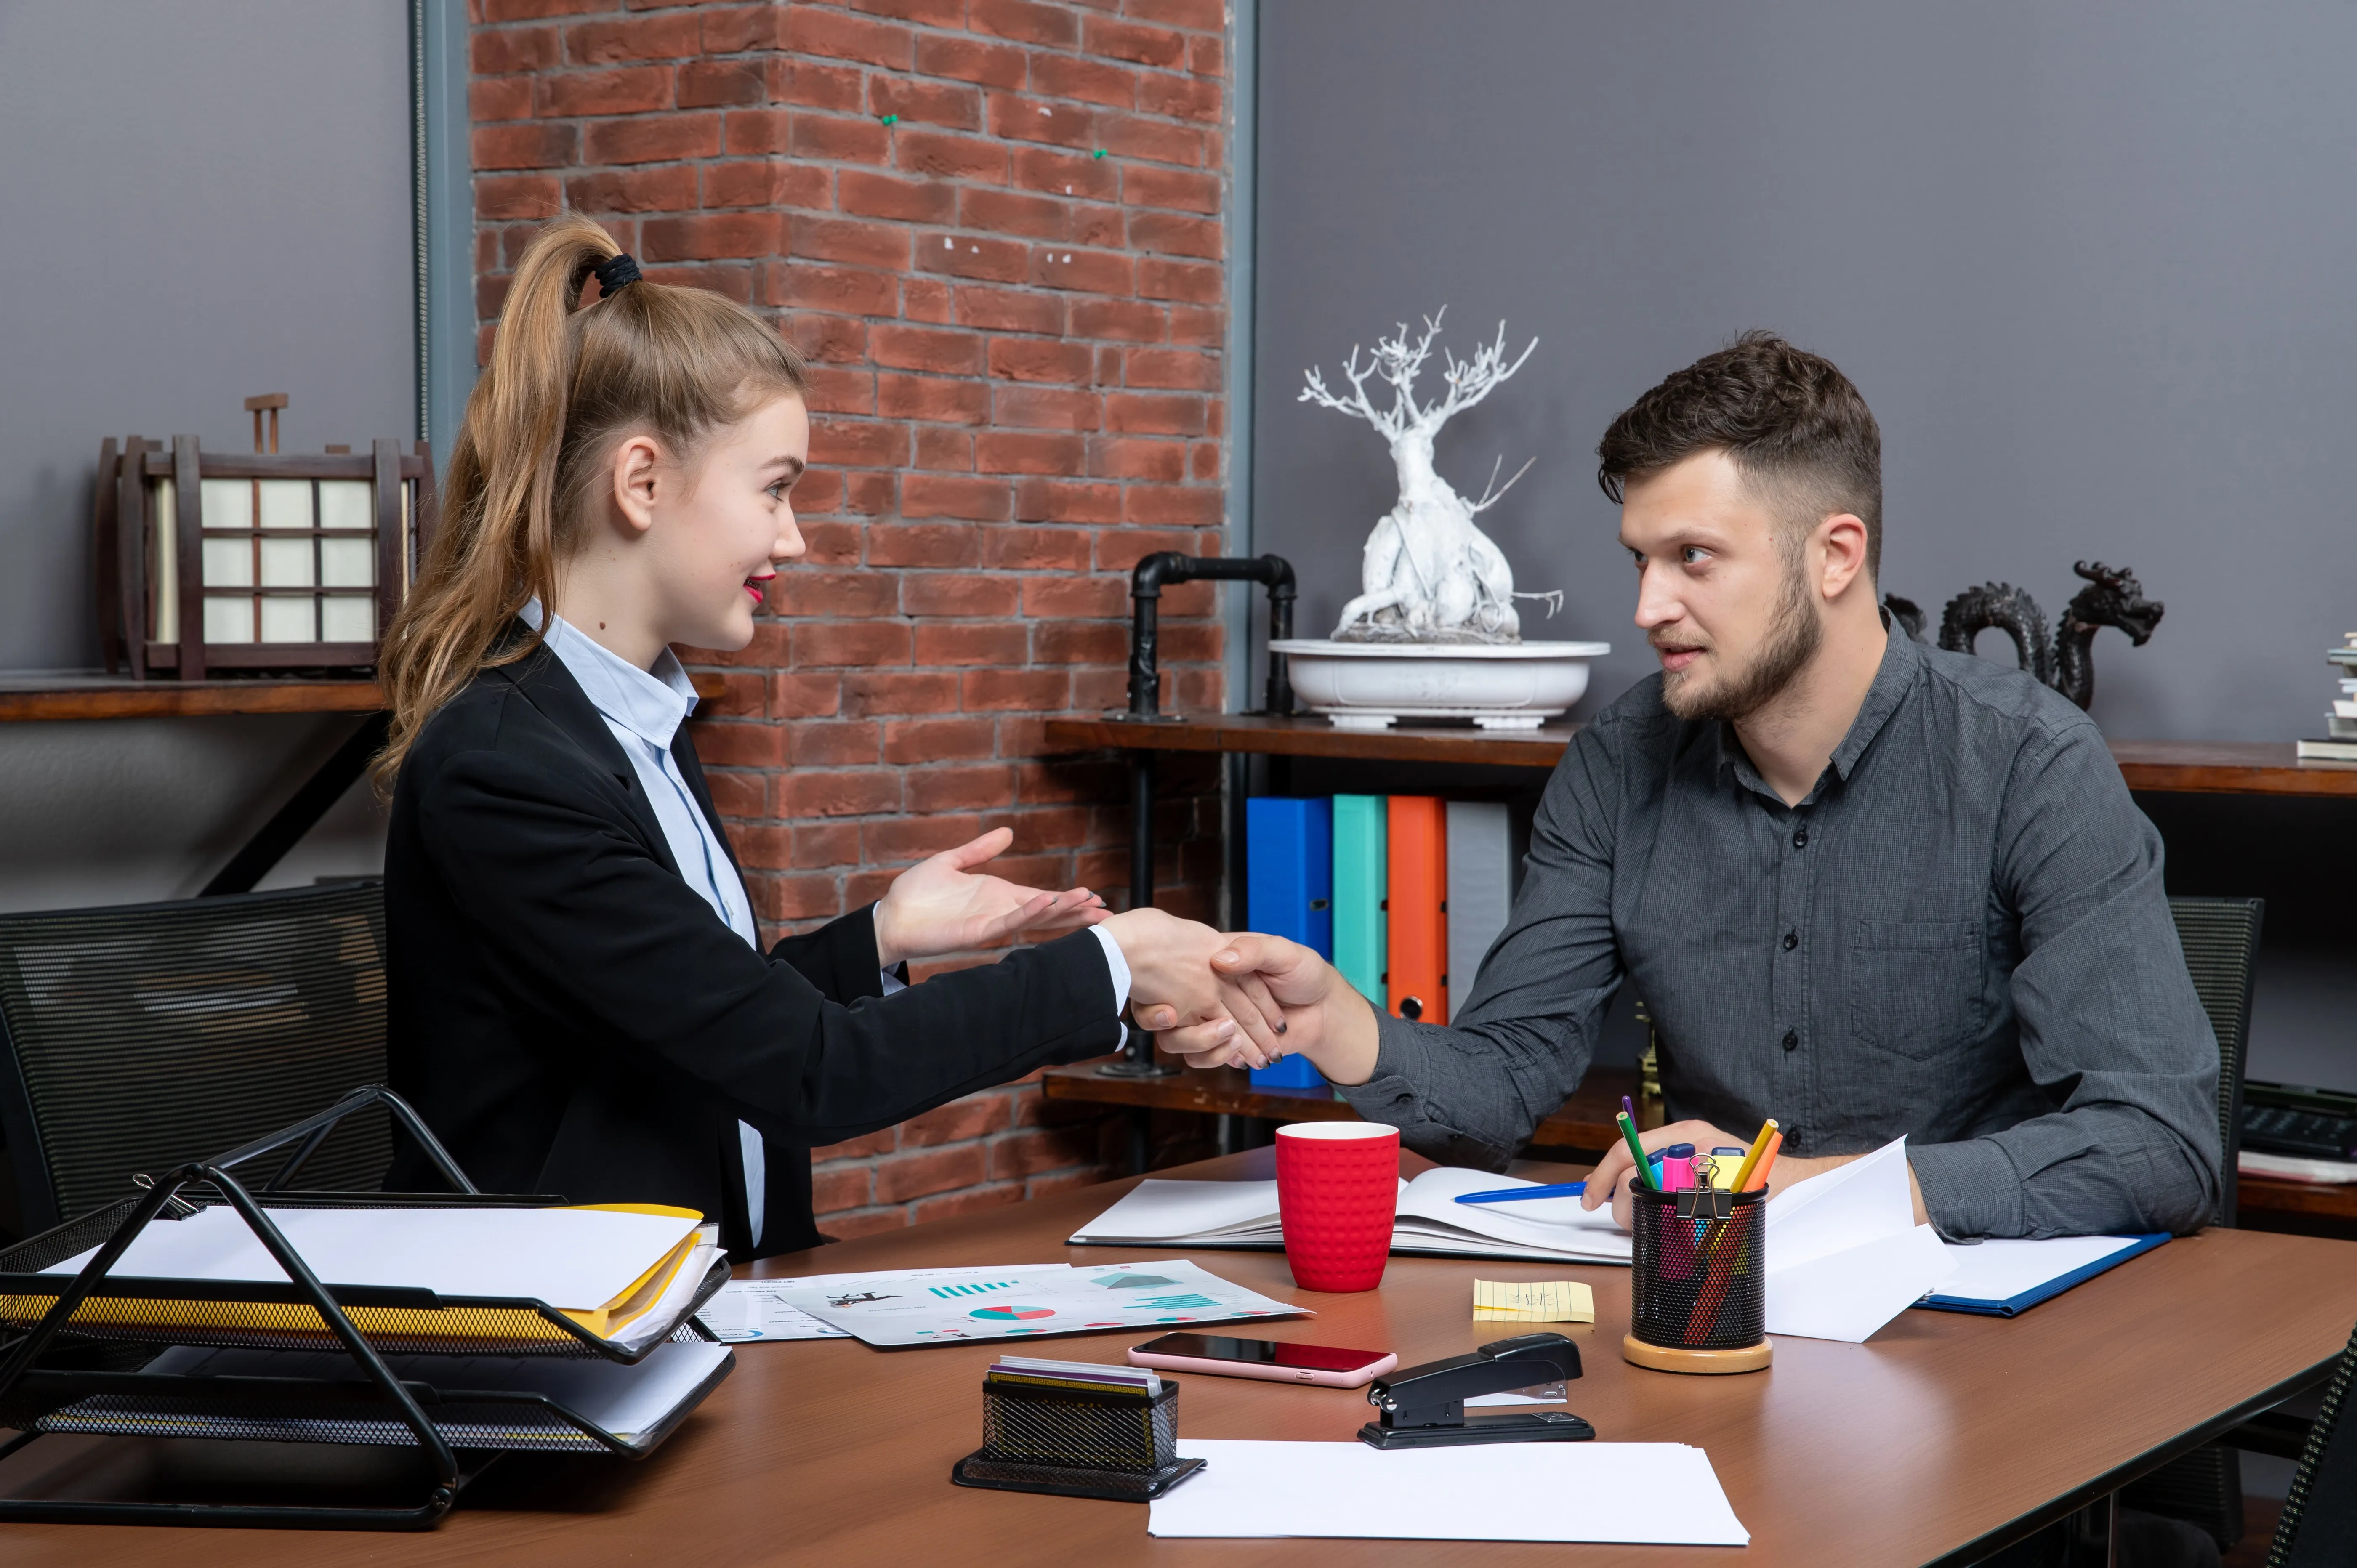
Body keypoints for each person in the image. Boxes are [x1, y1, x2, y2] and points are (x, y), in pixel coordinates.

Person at [1156, 332, 2221, 1243]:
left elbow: (2161, 1146)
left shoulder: (2029, 763)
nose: (1648, 607)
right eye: (1639, 561)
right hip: (1709, 1308)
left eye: (1694, 559)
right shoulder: (1620, 761)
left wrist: (1791, 1192)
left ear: (1833, 555)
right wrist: (1336, 1022)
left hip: (1975, 1336)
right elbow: (1502, 1085)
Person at [378, 215, 1250, 1259]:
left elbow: (696, 1019)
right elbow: (805, 1073)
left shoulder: (631, 720)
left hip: (708, 1313)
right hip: (565, 1355)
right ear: (642, 484)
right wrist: (1117, 964)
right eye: (776, 489)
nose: (792, 538)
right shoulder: (503, 769)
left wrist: (877, 941)